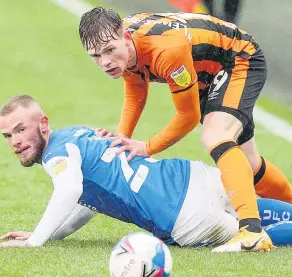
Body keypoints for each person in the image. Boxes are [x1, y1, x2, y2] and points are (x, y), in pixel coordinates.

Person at [78, 7, 292, 252]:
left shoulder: (166, 50)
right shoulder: (123, 47)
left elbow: (188, 116)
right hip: (207, 71)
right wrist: (121, 137)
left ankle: (251, 231)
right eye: (95, 55)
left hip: (239, 58)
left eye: (109, 51)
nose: (104, 62)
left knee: (216, 136)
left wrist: (147, 147)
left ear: (126, 37)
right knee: (248, 163)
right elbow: (136, 87)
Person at [0, 95, 291, 251]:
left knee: (255, 236)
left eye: (21, 129)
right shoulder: (76, 134)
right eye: (8, 136)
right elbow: (86, 204)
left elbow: (69, 190)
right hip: (190, 176)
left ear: (43, 124)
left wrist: (34, 242)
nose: (16, 141)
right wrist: (46, 233)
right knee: (253, 211)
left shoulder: (56, 155)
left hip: (182, 215)